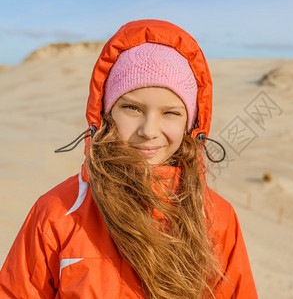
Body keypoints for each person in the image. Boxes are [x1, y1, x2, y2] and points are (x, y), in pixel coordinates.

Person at [0, 19, 257, 298]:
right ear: (107, 113)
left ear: (190, 124)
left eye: (170, 112)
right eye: (132, 108)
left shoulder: (216, 217)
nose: (148, 131)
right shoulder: (57, 212)